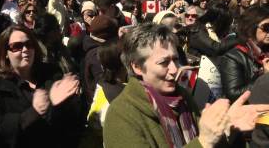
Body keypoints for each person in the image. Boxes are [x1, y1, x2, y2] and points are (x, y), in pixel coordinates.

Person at [103, 23, 269, 148]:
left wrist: (226, 129)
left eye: (175, 59)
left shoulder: (183, 95)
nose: (175, 69)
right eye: (163, 62)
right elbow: (203, 142)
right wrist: (203, 141)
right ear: (137, 67)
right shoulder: (121, 115)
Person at [0, 25, 83, 148]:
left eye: (29, 44)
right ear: (5, 53)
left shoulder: (51, 72)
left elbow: (73, 118)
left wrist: (70, 99)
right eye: (17, 46)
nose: (25, 49)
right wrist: (34, 112)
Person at [220, 6, 269, 103]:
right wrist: (264, 76)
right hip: (249, 112)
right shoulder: (233, 57)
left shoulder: (266, 50)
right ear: (251, 27)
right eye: (267, 27)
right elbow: (233, 94)